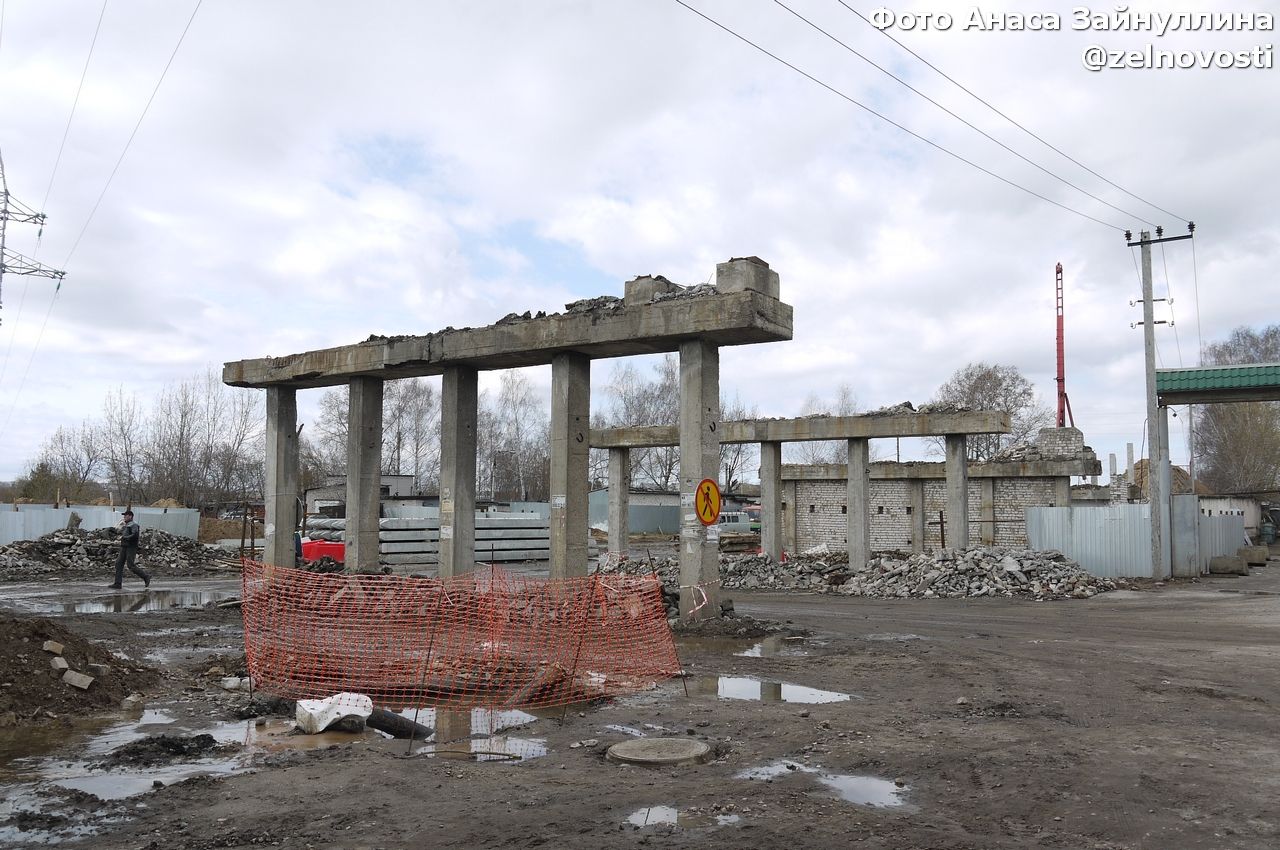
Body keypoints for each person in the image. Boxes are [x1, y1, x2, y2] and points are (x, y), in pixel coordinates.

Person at [111, 509, 151, 590]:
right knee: (118, 564)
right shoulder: (127, 525)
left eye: (126, 515)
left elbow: (135, 535)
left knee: (130, 565)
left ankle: (146, 576)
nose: (124, 517)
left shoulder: (133, 525)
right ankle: (117, 583)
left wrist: (125, 538)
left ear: (130, 516)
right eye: (124, 515)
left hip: (131, 547)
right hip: (124, 546)